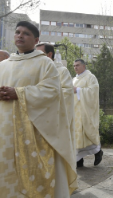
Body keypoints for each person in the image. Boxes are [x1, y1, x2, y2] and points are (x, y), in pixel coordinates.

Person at [0, 21, 77, 197]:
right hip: (4, 130)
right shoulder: (3, 65)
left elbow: (51, 92)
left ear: (35, 40)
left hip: (32, 129)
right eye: (17, 32)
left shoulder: (44, 64)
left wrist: (18, 93)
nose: (20, 35)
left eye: (25, 33)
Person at [36, 43, 76, 154]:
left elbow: (67, 92)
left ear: (49, 55)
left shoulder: (61, 71)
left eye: (39, 54)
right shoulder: (35, 70)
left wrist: (43, 97)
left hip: (53, 118)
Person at [73, 59, 103, 167]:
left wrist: (79, 90)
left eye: (77, 65)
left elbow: (93, 92)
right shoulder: (73, 79)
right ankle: (78, 160)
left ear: (84, 66)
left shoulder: (90, 77)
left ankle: (98, 152)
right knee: (77, 137)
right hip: (75, 113)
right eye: (74, 66)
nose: (75, 67)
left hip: (85, 112)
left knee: (88, 132)